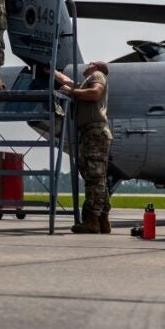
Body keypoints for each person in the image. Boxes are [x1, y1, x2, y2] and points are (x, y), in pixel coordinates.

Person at [53, 61, 112, 234]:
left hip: (94, 131)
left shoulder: (97, 75)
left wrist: (71, 92)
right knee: (97, 177)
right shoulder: (87, 81)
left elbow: (94, 94)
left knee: (94, 177)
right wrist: (54, 72)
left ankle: (91, 220)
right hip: (91, 132)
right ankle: (102, 219)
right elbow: (71, 84)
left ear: (94, 66)